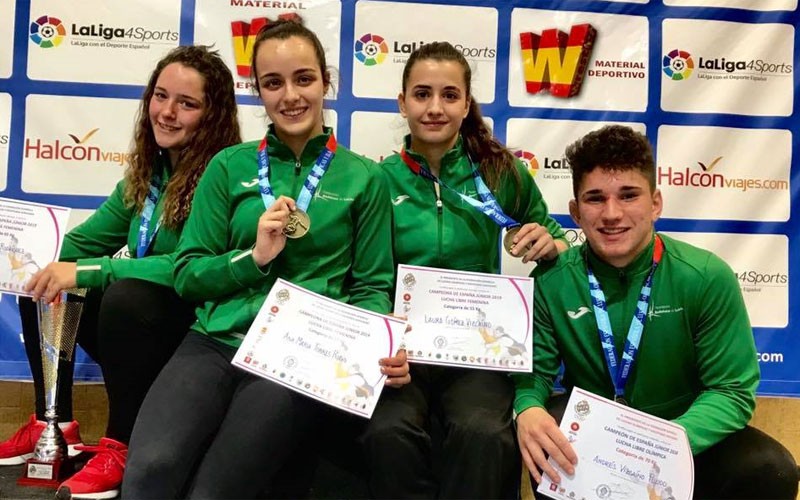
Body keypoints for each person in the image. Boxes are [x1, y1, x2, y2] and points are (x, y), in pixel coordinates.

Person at [121, 20, 409, 499]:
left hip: (299, 355)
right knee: (151, 471)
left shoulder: (365, 178)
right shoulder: (228, 166)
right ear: (258, 91)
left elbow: (372, 285)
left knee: (213, 492)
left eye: (304, 79)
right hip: (214, 341)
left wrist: (380, 340)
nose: (290, 96)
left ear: (326, 82)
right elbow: (188, 273)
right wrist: (251, 259)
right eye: (273, 83)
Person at [0, 45, 241, 499]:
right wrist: (21, 255)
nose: (167, 113)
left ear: (213, 116)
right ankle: (54, 421)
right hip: (142, 323)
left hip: (199, 333)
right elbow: (83, 245)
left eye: (186, 104)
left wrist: (91, 272)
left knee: (125, 296)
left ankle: (123, 442)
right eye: (161, 96)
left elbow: (186, 265)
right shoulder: (150, 172)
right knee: (41, 277)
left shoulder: (224, 172)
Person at [513, 124, 799, 498]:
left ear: (656, 203)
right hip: (597, 442)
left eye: (629, 195)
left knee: (769, 468)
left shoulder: (706, 276)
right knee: (547, 431)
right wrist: (527, 407)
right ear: (575, 212)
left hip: (685, 436)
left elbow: (731, 391)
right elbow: (534, 374)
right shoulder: (552, 282)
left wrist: (662, 446)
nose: (612, 213)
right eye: (595, 198)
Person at [360, 41, 569, 499]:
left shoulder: (498, 171)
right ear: (402, 103)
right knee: (385, 435)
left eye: (450, 95)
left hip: (476, 348)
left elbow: (558, 234)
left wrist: (550, 242)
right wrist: (382, 336)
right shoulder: (377, 179)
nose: (435, 108)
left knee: (485, 435)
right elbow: (365, 273)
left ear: (467, 103)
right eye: (422, 94)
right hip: (404, 352)